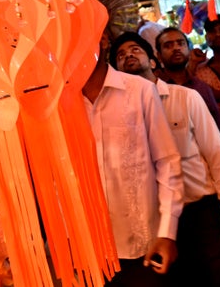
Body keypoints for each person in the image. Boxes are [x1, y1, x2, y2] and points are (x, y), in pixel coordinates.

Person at [109, 32, 220, 287]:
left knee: (213, 281)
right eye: (120, 55)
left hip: (199, 214)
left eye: (135, 50)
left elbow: (217, 155)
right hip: (156, 223)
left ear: (153, 60)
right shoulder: (118, 116)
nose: (128, 56)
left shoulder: (185, 97)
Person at [83, 29, 185, 287]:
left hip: (143, 247)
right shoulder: (62, 102)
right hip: (89, 251)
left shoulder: (139, 91)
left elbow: (168, 162)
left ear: (103, 38)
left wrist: (167, 232)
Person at [155, 27, 220, 142]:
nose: (176, 48)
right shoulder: (154, 89)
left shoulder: (201, 87)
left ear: (188, 50)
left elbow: (218, 129)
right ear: (159, 55)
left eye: (181, 43)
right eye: (168, 45)